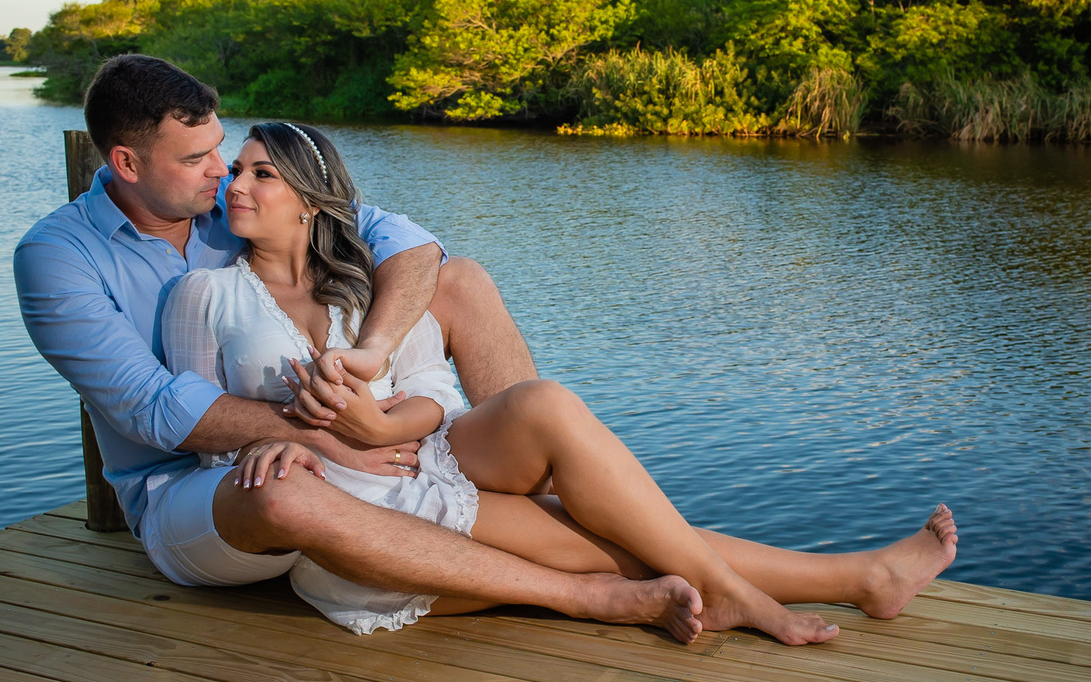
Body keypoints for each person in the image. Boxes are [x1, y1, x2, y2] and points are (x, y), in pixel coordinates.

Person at [161, 120, 960, 645]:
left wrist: (383, 427)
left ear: (309, 199)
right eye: (234, 170)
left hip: (425, 472)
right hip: (343, 521)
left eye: (260, 173)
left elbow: (435, 391)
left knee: (592, 493)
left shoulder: (365, 289)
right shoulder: (205, 294)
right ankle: (841, 579)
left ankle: (859, 578)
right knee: (612, 554)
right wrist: (283, 446)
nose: (235, 183)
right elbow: (204, 437)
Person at [14, 53, 708, 641]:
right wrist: (327, 439)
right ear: (127, 162)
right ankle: (582, 591)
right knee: (284, 493)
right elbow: (151, 408)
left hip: (345, 452)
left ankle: (537, 484)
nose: (221, 172)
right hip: (196, 489)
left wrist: (373, 353)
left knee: (460, 280)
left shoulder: (232, 203)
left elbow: (409, 243)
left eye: (223, 151)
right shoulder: (58, 257)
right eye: (197, 159)